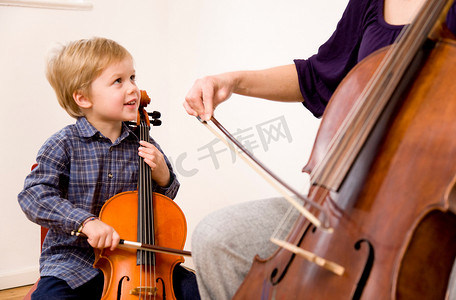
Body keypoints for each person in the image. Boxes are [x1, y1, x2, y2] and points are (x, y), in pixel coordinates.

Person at [183, 0, 456, 299]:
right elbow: (319, 75)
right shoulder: (369, 3)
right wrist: (231, 81)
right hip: (343, 197)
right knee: (217, 239)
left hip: (435, 208)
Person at [18, 37, 199, 300]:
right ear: (83, 98)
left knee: (195, 289)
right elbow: (34, 195)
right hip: (73, 260)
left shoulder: (143, 141)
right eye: (118, 81)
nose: (133, 89)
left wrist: (163, 174)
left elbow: (163, 202)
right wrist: (86, 223)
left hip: (139, 259)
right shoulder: (64, 143)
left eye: (133, 77)